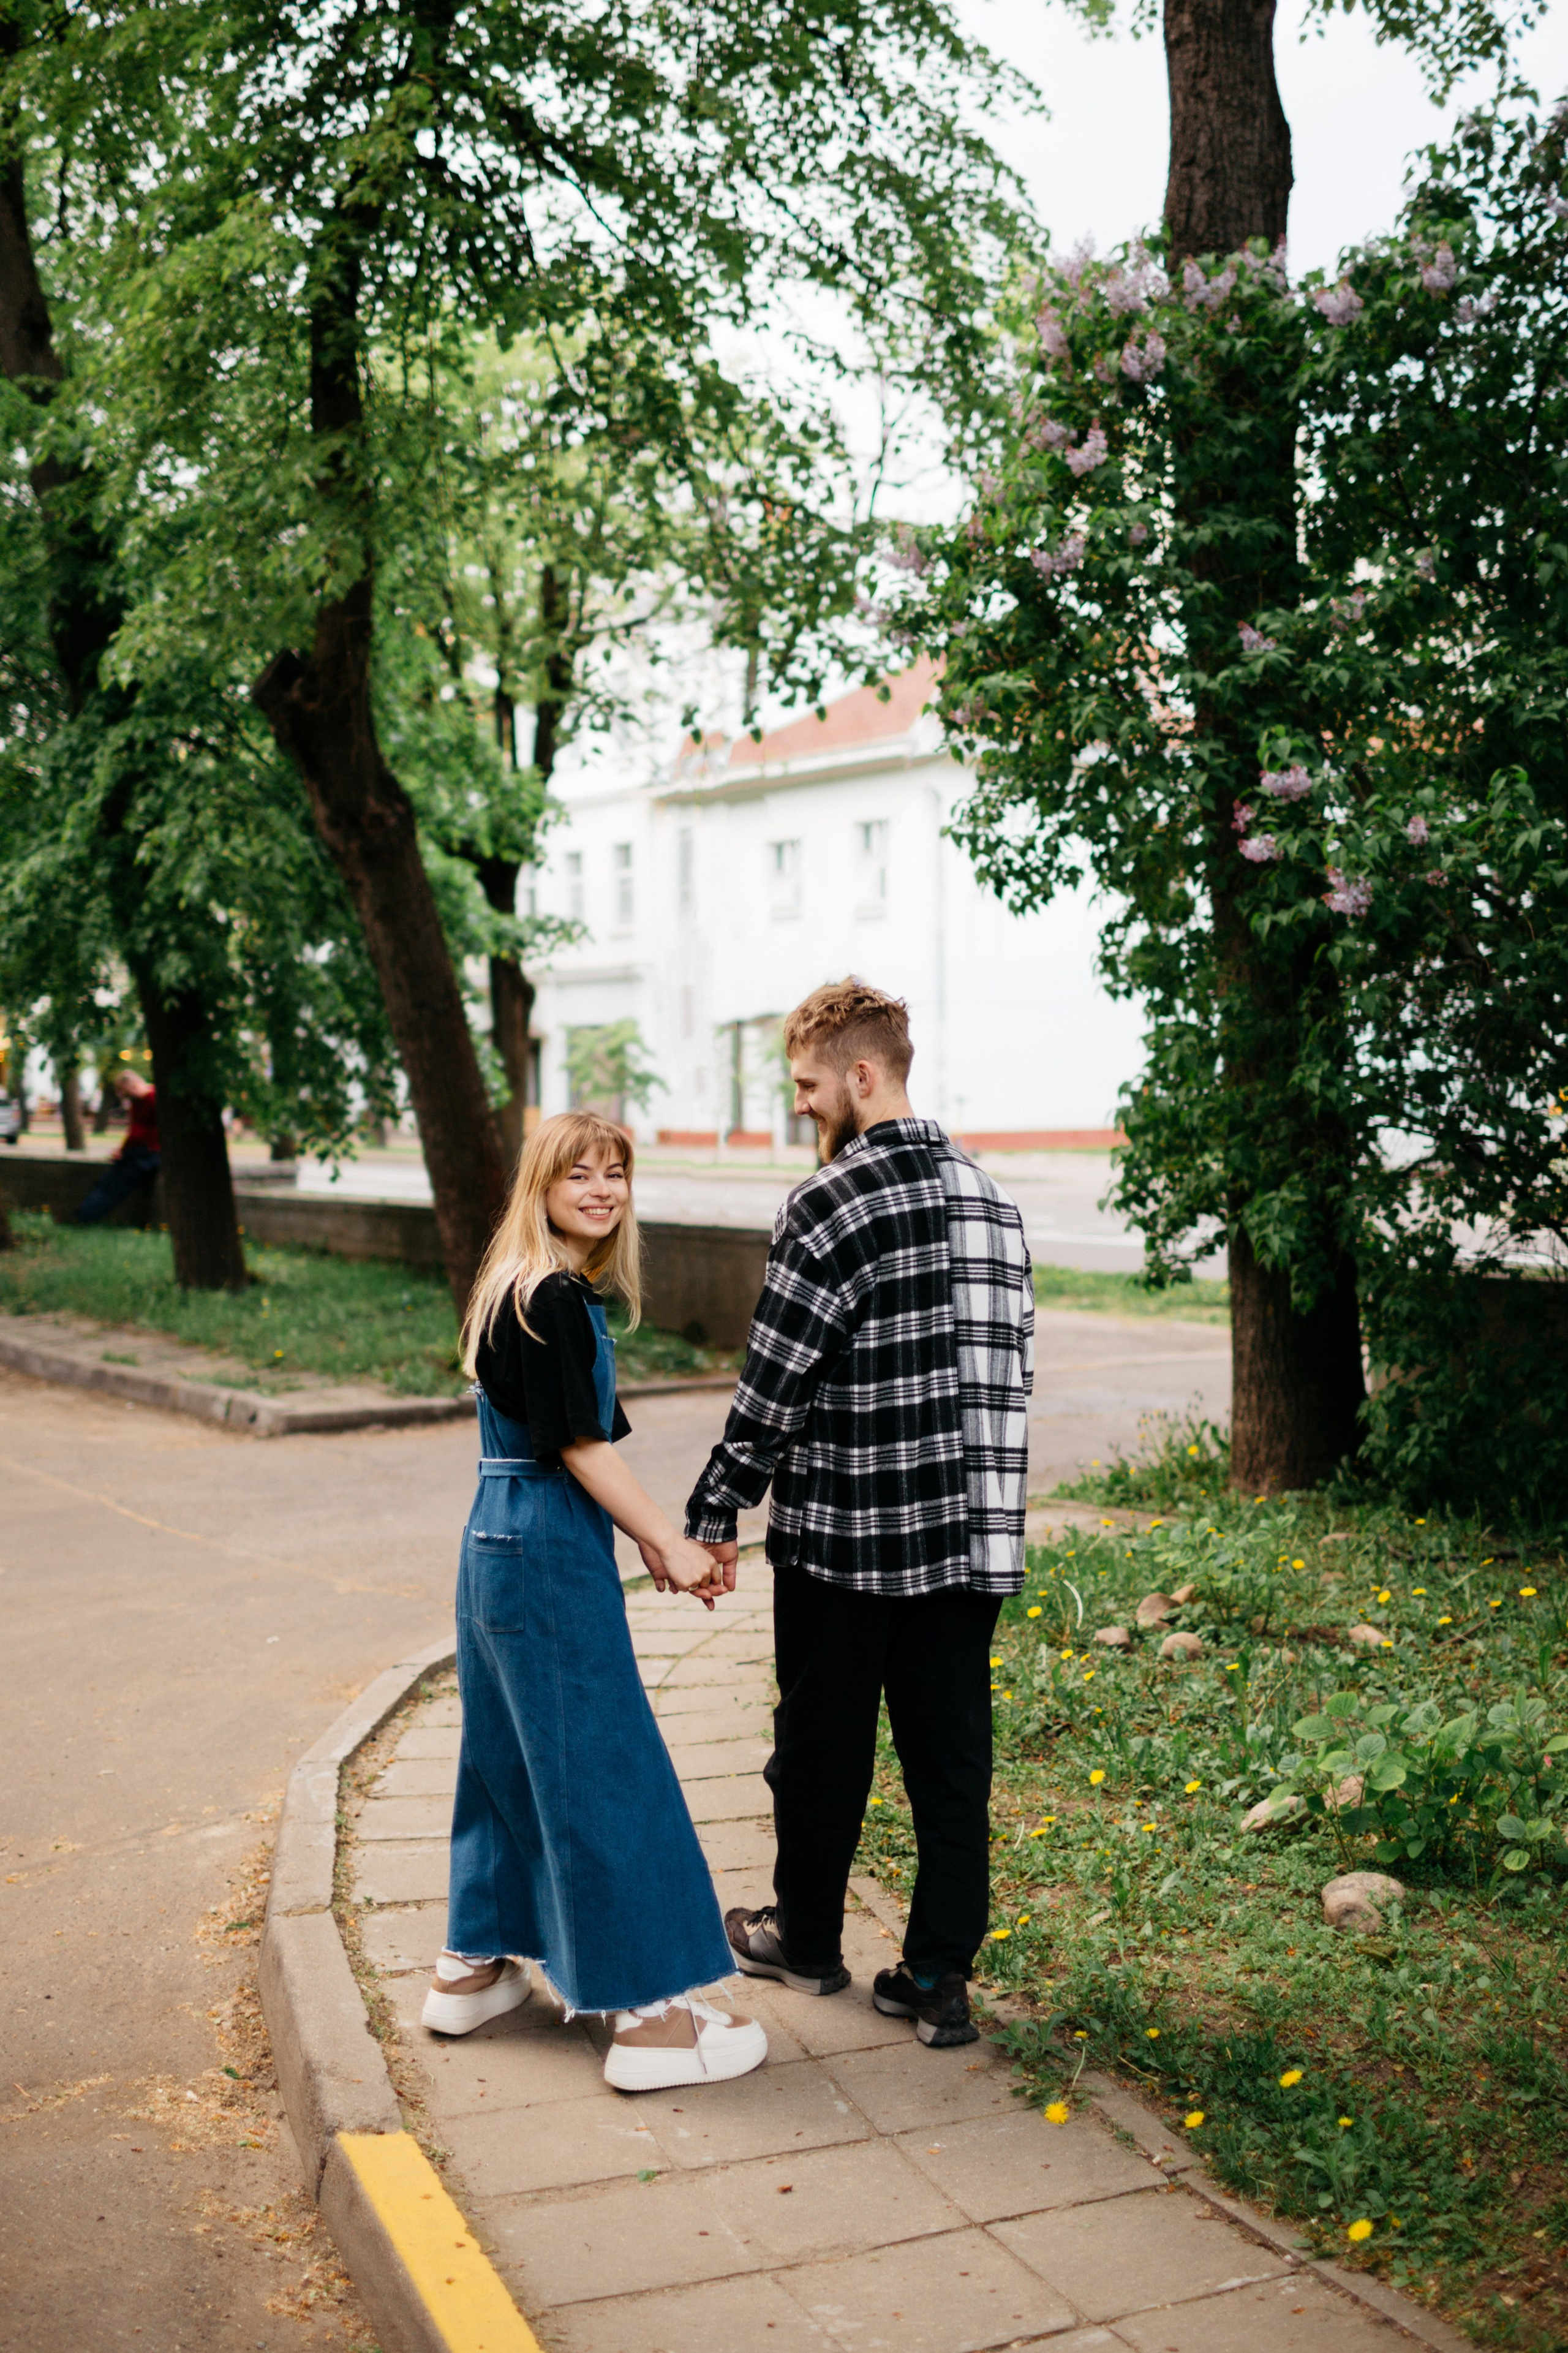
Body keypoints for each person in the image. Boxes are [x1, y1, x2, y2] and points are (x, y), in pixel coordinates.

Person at [685, 980, 1033, 2049]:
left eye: (808, 1084)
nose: (801, 1104)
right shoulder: (994, 1202)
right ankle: (936, 1979)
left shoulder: (829, 1202)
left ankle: (807, 1939)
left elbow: (775, 1380)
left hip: (846, 1541)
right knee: (951, 1766)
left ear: (863, 1076)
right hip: (971, 1543)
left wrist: (717, 1507)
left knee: (820, 1752)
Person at [424, 1108, 767, 2094]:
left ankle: (472, 1967)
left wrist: (644, 1540)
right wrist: (671, 1540)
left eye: (615, 1172)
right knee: (601, 1765)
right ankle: (648, 2017)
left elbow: (570, 1436)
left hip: (494, 1538)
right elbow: (578, 1447)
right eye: (578, 1173)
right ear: (540, 1186)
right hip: (544, 1541)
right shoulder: (556, 1299)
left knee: (504, 1757)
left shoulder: (510, 1287)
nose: (602, 1189)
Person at [74, 1068, 160, 1225]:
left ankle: (86, 1216)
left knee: (115, 1184)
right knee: (107, 1182)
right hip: (139, 1152)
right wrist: (122, 1150)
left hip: (147, 1154)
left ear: (133, 1086)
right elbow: (135, 1132)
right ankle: (85, 1214)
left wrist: (128, 1150)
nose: (123, 1097)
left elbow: (146, 1134)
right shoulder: (138, 1102)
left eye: (124, 1093)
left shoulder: (152, 1099)